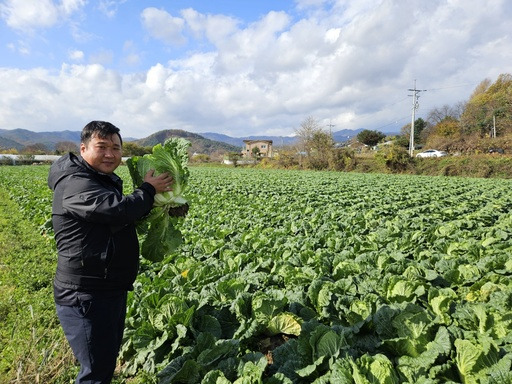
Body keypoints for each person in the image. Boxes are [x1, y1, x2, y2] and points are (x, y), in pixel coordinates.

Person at [47, 121, 173, 383]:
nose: (110, 154)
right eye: (101, 147)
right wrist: (149, 190)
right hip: (86, 293)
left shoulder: (98, 179)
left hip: (106, 287)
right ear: (83, 148)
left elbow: (115, 221)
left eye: (115, 148)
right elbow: (115, 210)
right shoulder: (75, 183)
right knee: (96, 372)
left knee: (104, 360)